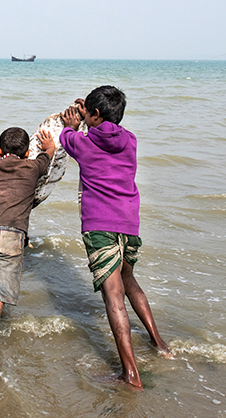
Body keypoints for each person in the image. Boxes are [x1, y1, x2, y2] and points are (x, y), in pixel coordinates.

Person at [59, 85, 170, 389]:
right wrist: (93, 115)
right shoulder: (130, 140)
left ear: (93, 115)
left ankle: (130, 373)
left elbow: (66, 136)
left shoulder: (82, 143)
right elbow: (108, 128)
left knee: (113, 295)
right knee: (129, 279)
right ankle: (159, 343)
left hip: (100, 226)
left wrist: (74, 123)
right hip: (129, 224)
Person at [0, 126, 56, 367]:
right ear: (27, 154)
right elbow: (49, 154)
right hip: (10, 234)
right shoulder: (33, 167)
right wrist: (47, 146)